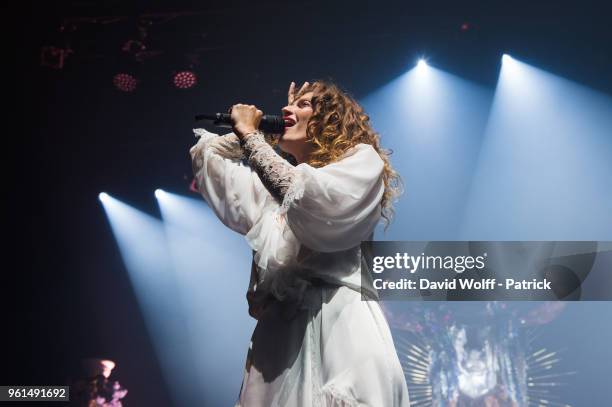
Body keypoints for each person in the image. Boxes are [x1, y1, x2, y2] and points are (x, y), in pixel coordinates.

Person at [190, 80, 410, 406]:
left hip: (338, 324)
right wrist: (258, 134)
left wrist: (252, 137)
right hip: (279, 341)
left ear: (330, 122)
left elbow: (313, 200)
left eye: (304, 104)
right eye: (289, 106)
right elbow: (207, 156)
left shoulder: (361, 162)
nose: (286, 109)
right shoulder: (273, 197)